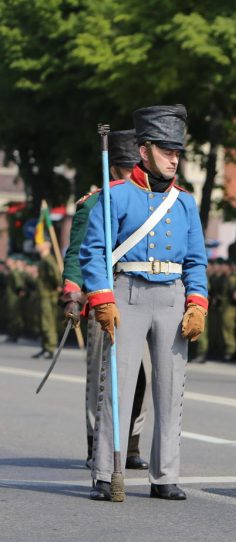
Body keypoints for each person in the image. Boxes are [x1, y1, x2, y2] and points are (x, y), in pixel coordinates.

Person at [81, 104, 208, 501]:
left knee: (171, 391)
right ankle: (105, 472)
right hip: (127, 294)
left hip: (171, 298)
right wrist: (102, 299)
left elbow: (196, 260)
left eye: (178, 152)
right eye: (167, 151)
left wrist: (197, 303)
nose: (175, 159)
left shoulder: (184, 202)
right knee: (116, 389)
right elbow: (94, 250)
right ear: (145, 150)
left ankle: (165, 474)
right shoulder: (116, 194)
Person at [61, 129, 152, 470]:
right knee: (104, 374)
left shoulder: (155, 202)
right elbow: (78, 252)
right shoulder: (96, 202)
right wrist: (72, 292)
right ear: (114, 169)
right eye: (129, 167)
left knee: (142, 374)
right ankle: (95, 442)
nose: (135, 173)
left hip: (144, 295)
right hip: (106, 295)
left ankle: (130, 445)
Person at [34, 241, 61, 359]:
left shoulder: (48, 259)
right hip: (43, 295)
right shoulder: (43, 259)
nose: (37, 245)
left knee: (48, 322)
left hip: (48, 296)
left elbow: (55, 273)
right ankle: (45, 347)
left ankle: (50, 347)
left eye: (40, 243)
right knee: (42, 322)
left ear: (46, 246)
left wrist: (58, 286)